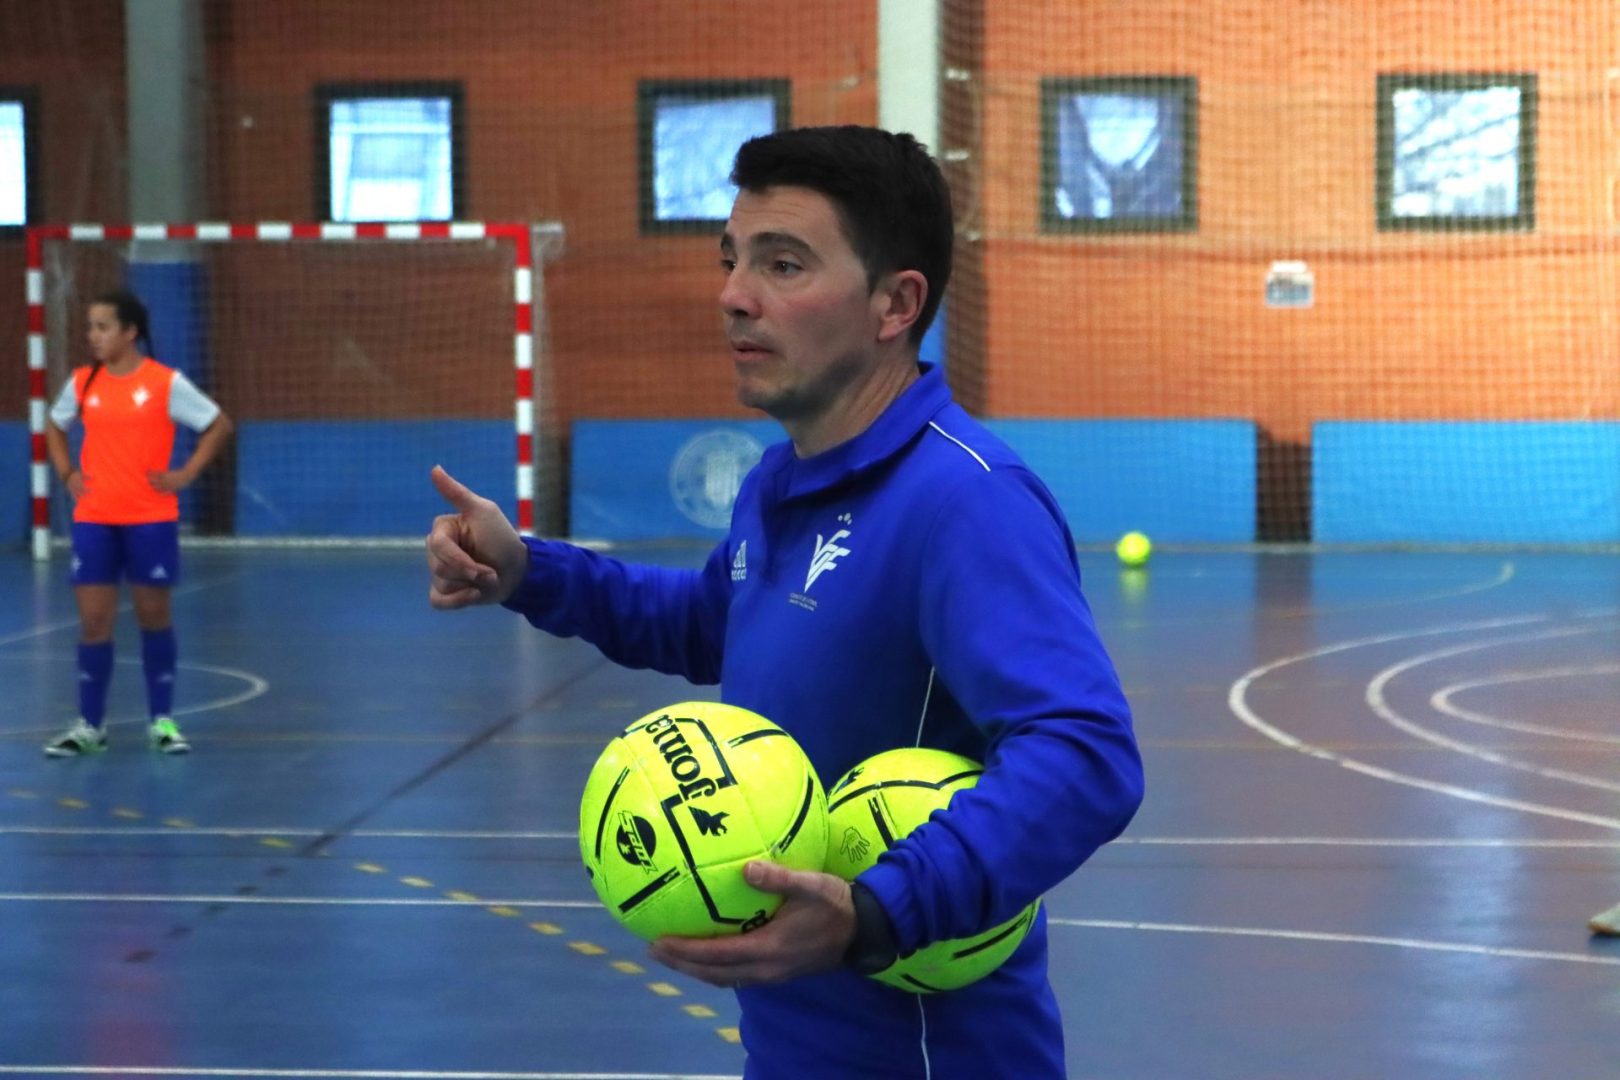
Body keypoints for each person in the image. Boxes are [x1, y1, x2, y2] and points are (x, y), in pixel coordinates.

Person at [425, 126, 1143, 1078]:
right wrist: (532, 572)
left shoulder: (965, 503)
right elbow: (717, 625)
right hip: (791, 1043)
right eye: (733, 260)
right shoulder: (781, 480)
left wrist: (879, 910)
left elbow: (1086, 752)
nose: (733, 294)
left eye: (784, 263)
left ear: (896, 303)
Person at [42, 288, 234, 757]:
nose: (93, 336)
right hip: (94, 519)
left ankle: (162, 722)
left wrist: (185, 474)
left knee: (153, 617)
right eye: (90, 327)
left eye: (102, 326)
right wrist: (68, 472)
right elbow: (53, 424)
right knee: (93, 621)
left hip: (150, 518)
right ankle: (90, 726)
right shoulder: (84, 383)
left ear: (130, 332)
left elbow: (218, 424)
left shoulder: (164, 382)